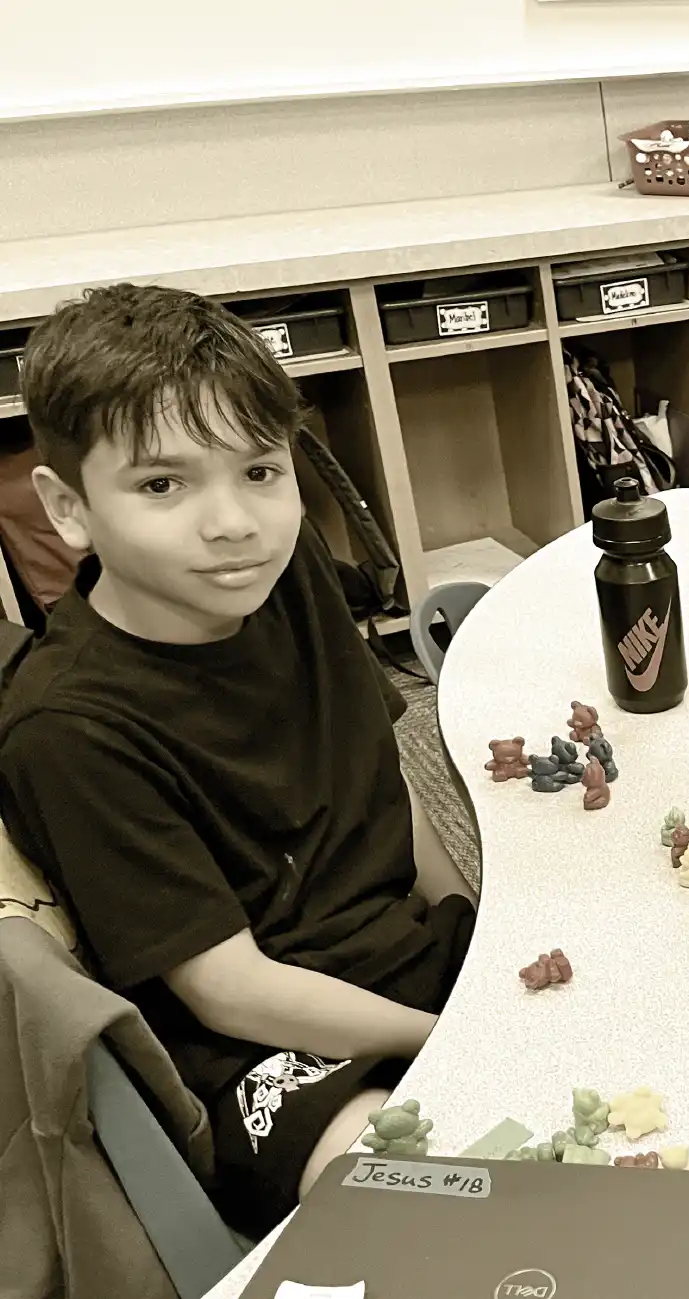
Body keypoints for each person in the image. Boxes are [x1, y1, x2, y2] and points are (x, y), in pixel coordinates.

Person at [0, 284, 476, 1237]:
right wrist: (457, 1041)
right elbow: (224, 987)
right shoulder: (68, 725)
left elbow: (386, 771)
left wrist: (477, 922)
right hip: (255, 1043)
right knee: (423, 1205)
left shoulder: (283, 567)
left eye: (261, 471)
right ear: (69, 508)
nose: (234, 522)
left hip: (397, 955)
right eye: (162, 485)